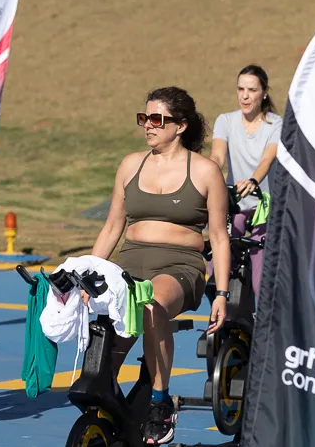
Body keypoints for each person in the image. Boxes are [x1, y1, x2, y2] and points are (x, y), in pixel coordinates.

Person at [90, 86, 231, 445]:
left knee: (150, 305)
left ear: (180, 125)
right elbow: (112, 228)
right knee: (107, 346)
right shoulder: (130, 164)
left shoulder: (205, 171)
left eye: (157, 119)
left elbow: (218, 237)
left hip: (179, 267)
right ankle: (111, 412)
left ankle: (160, 402)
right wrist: (88, 272)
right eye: (144, 118)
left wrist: (222, 293)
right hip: (130, 262)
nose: (148, 126)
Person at [209, 64, 282, 297]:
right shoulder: (225, 121)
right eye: (240, 89)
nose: (245, 96)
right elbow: (217, 157)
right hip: (236, 202)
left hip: (265, 204)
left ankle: (263, 316)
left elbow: (267, 159)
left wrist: (253, 181)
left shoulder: (276, 124)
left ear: (264, 93)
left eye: (252, 90)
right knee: (219, 257)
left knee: (260, 263)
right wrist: (206, 176)